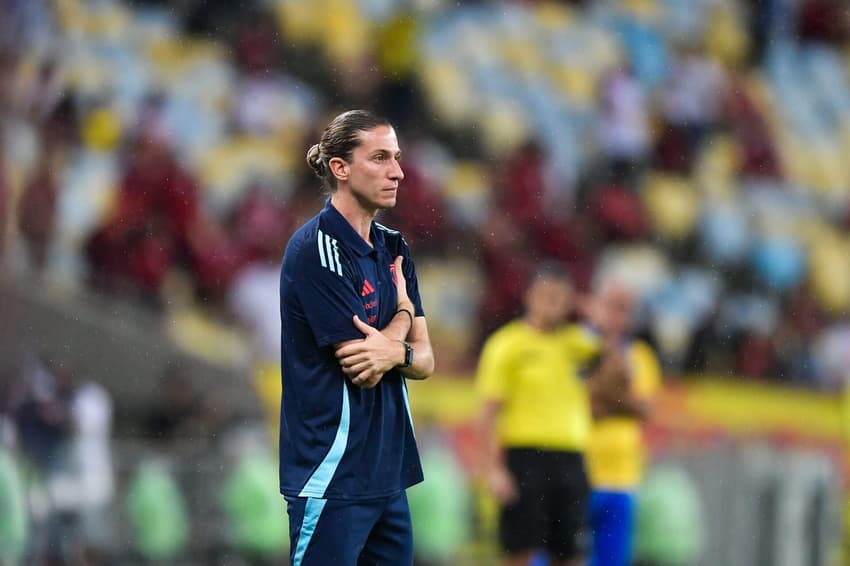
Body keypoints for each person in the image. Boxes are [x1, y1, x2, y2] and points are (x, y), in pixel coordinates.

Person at [279, 109, 435, 566]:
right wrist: (405, 315)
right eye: (381, 157)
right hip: (333, 476)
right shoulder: (316, 248)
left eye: (398, 158)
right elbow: (363, 366)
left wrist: (395, 348)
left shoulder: (394, 247)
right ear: (340, 169)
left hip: (388, 475)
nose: (398, 171)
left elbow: (425, 362)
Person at [476, 262, 602, 566]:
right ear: (529, 296)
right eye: (546, 295)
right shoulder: (507, 344)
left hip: (571, 459)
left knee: (569, 553)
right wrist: (493, 469)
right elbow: (488, 412)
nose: (553, 304)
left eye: (560, 297)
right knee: (520, 551)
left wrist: (601, 326)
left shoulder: (582, 343)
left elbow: (620, 383)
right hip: (525, 459)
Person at [585, 280, 661, 566]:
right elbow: (584, 407)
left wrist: (606, 395)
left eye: (624, 309)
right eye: (612, 306)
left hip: (622, 479)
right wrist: (624, 400)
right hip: (581, 473)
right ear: (597, 306)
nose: (617, 316)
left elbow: (646, 410)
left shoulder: (642, 356)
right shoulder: (580, 347)